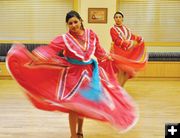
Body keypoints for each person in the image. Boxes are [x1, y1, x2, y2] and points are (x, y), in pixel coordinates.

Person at [7, 10, 138, 138]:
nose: (74, 25)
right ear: (67, 25)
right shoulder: (64, 39)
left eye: (75, 21)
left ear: (81, 21)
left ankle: (80, 131)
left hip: (89, 74)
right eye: (70, 23)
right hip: (72, 75)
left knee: (84, 105)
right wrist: (34, 56)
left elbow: (99, 51)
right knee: (74, 106)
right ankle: (73, 135)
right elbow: (50, 50)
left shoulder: (91, 35)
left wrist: (108, 57)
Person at [110, 11, 147, 87]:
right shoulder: (113, 29)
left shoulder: (126, 29)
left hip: (127, 52)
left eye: (119, 17)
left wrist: (138, 38)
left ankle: (121, 86)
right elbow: (116, 40)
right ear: (114, 19)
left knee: (127, 72)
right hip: (118, 52)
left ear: (122, 18)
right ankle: (119, 87)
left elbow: (131, 36)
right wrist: (127, 43)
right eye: (116, 17)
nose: (118, 19)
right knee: (121, 70)